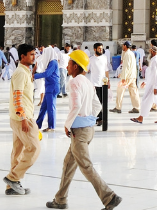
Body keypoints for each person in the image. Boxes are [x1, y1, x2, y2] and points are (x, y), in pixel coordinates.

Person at [47, 49, 122, 210]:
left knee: (86, 167)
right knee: (68, 163)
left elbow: (76, 105)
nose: (67, 66)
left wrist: (68, 124)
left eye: (69, 63)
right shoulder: (87, 82)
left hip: (79, 131)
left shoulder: (74, 82)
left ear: (75, 66)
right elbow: (98, 106)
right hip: (87, 130)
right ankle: (60, 199)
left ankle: (109, 197)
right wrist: (89, 119)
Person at [4, 44, 40, 196]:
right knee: (34, 148)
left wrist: (32, 71)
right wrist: (23, 118)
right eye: (31, 54)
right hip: (22, 118)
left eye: (34, 54)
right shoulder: (20, 73)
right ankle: (13, 178)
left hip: (19, 117)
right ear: (22, 56)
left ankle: (12, 187)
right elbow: (17, 96)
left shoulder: (25, 72)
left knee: (18, 152)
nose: (34, 57)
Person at [133, 43, 157, 124]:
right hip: (152, 84)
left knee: (148, 101)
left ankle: (141, 117)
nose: (150, 53)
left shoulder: (156, 60)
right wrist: (145, 82)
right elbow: (151, 73)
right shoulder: (154, 60)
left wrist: (156, 87)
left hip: (154, 85)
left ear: (154, 52)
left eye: (150, 51)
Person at [35, 48, 61, 131]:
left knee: (51, 107)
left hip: (52, 87)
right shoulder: (50, 62)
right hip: (49, 86)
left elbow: (47, 74)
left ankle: (51, 126)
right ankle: (37, 125)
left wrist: (34, 76)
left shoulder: (53, 62)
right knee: (44, 107)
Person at [112, 41, 140, 114]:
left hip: (127, 77)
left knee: (120, 91)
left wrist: (123, 77)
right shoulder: (131, 53)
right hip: (132, 76)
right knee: (134, 92)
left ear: (125, 46)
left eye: (123, 46)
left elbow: (126, 67)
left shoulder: (127, 54)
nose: (122, 47)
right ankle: (136, 107)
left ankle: (118, 107)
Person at [88, 43, 110, 124]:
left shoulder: (104, 58)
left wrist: (108, 81)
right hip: (95, 84)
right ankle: (98, 118)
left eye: (101, 48)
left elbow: (106, 70)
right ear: (95, 49)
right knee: (97, 102)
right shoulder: (91, 59)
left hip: (103, 83)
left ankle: (103, 118)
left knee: (104, 102)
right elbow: (86, 70)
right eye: (99, 48)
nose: (101, 50)